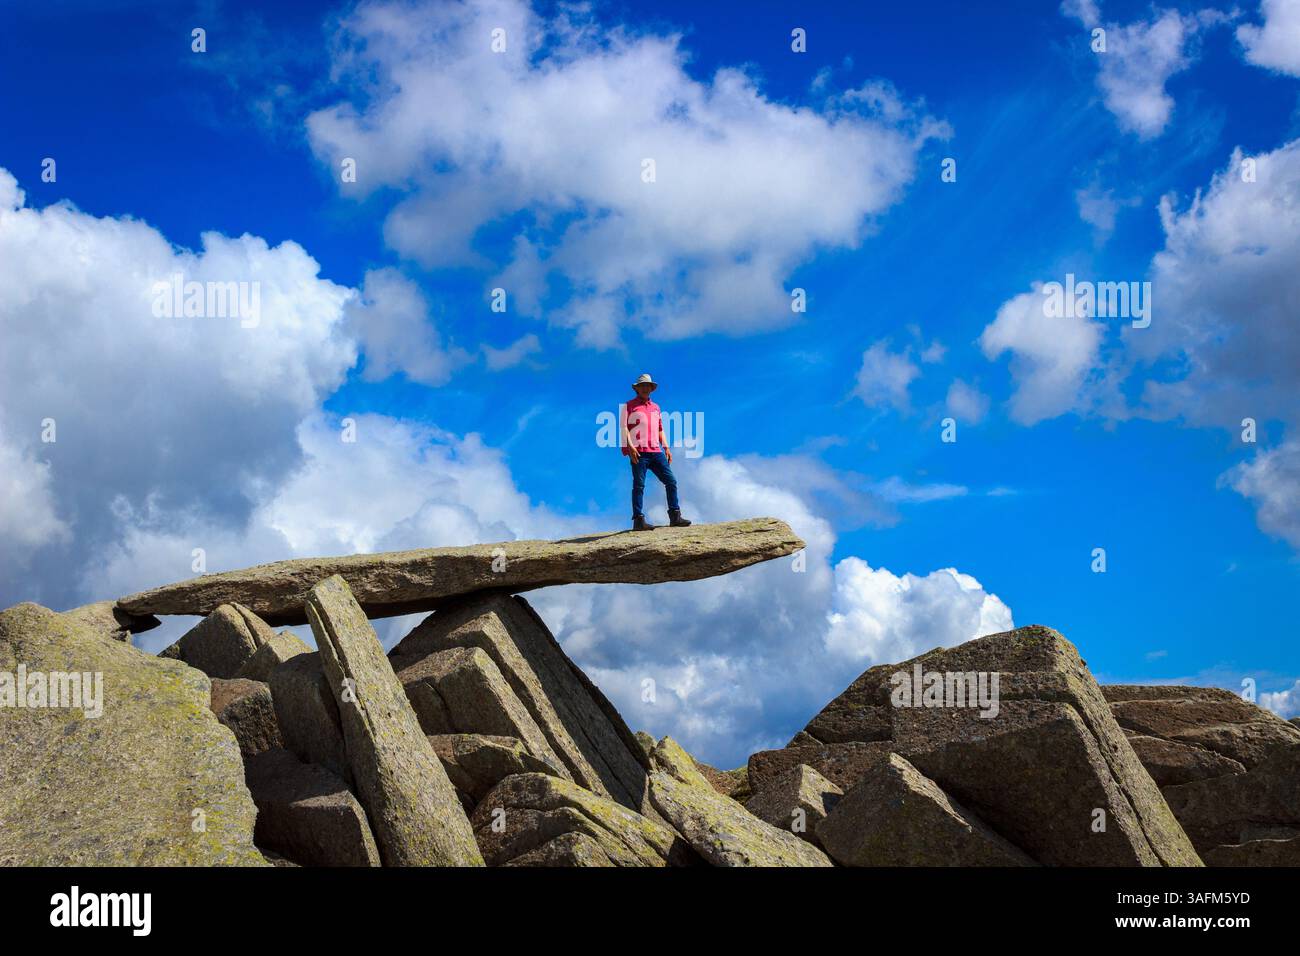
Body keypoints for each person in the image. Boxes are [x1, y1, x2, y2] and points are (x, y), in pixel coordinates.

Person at [621, 373, 691, 531]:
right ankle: (638, 520)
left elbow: (660, 429)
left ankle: (675, 516)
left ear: (651, 389)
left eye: (648, 386)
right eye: (642, 386)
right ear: (637, 389)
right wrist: (630, 446)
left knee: (671, 481)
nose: (645, 388)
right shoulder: (628, 406)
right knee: (639, 485)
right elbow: (624, 428)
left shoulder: (656, 407)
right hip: (638, 451)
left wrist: (666, 446)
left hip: (655, 451)